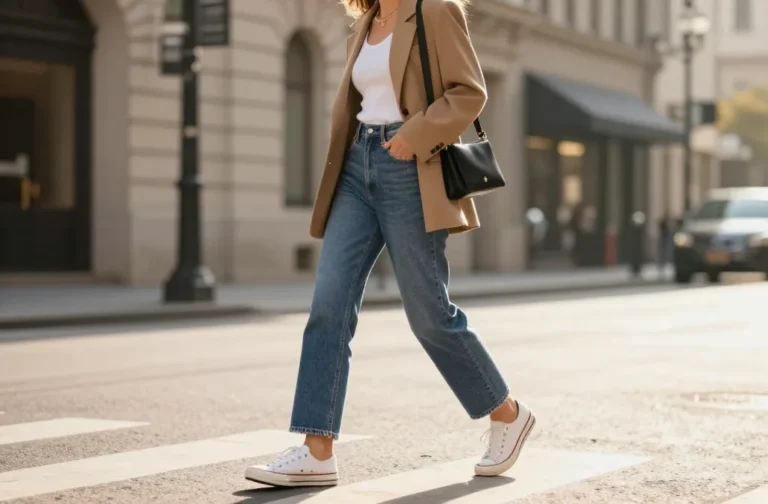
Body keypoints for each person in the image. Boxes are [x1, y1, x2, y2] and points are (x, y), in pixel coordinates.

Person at [245, 0, 535, 488]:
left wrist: (415, 134)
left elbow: (469, 91)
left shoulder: (436, 10)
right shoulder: (365, 21)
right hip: (357, 169)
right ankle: (318, 450)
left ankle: (507, 414)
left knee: (428, 314)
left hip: (410, 168)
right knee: (328, 305)